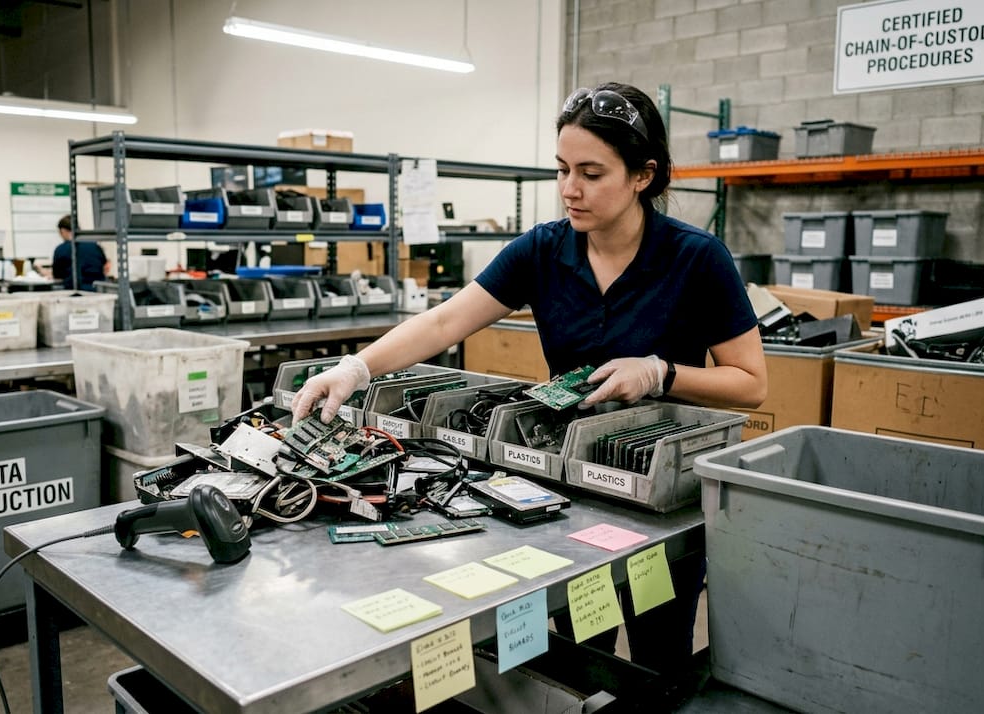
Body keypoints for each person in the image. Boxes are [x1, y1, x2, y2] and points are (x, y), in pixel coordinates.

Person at [291, 82, 766, 672]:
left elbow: (751, 383)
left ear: (644, 175)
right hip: (567, 483)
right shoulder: (543, 251)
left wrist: (662, 373)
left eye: (592, 173)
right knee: (577, 653)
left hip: (661, 496)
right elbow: (445, 321)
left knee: (656, 664)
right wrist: (355, 367)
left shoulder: (697, 258)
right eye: (562, 169)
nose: (570, 190)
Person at [47, 215, 109, 291]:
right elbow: (106, 266)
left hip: (74, 292)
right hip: (98, 290)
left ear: (63, 231)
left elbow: (57, 277)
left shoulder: (61, 249)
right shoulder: (95, 245)